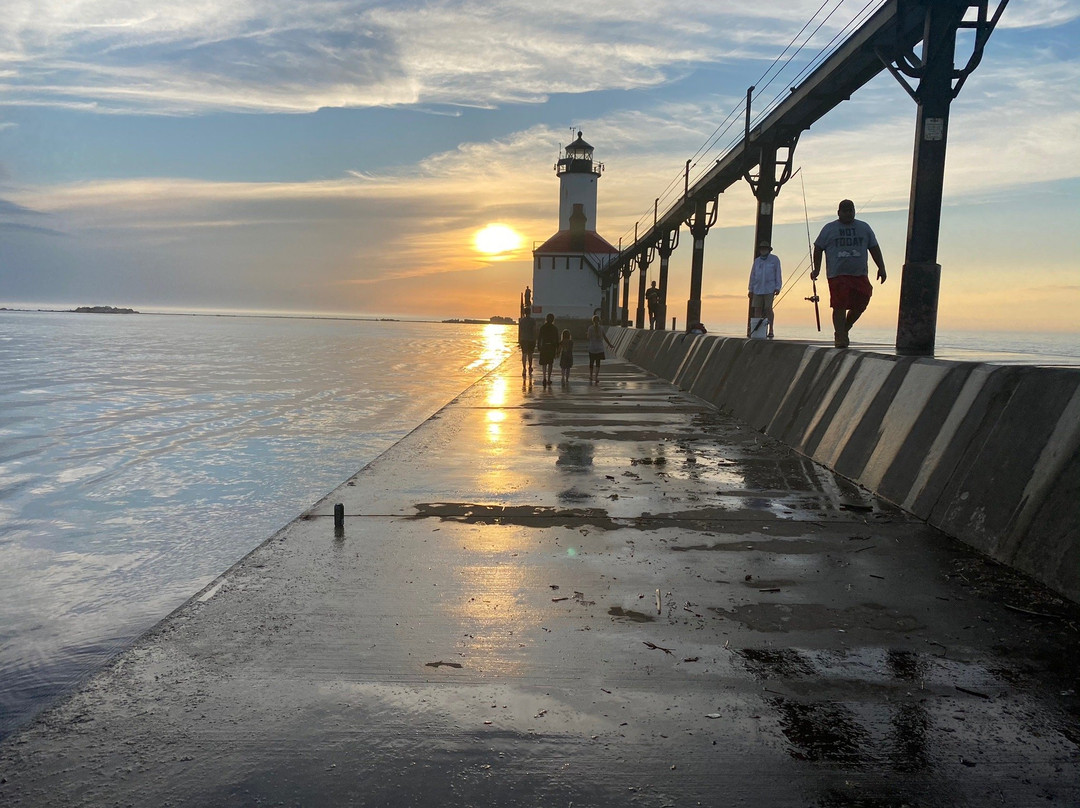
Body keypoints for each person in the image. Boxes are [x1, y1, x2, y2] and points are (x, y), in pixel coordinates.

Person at [811, 199, 886, 348]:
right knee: (839, 306)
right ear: (838, 213)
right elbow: (818, 247)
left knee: (863, 300)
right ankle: (840, 336)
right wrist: (817, 269)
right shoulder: (829, 229)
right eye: (845, 211)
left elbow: (874, 248)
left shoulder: (864, 227)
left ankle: (845, 328)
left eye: (850, 210)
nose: (848, 213)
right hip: (837, 275)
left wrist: (881, 267)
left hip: (860, 274)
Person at [748, 241, 782, 339]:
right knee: (757, 309)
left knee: (768, 309)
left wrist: (778, 287)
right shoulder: (757, 261)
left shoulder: (775, 260)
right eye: (762, 248)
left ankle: (771, 329)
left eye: (765, 248)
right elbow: (753, 276)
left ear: (768, 250)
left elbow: (778, 274)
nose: (763, 250)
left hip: (769, 288)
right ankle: (757, 331)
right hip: (757, 289)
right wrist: (750, 289)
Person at [586, 315, 614, 384]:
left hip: (592, 348)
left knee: (591, 362)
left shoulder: (590, 328)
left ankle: (591, 376)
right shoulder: (601, 328)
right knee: (598, 363)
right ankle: (596, 377)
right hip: (599, 348)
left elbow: (588, 337)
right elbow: (605, 337)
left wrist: (589, 335)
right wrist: (610, 345)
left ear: (593, 321)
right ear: (599, 320)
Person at [536, 313, 560, 387]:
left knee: (544, 364)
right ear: (553, 320)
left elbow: (539, 338)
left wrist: (538, 346)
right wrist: (557, 349)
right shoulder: (554, 328)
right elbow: (557, 339)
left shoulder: (543, 327)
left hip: (544, 346)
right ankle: (549, 378)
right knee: (550, 363)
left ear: (546, 319)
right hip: (551, 347)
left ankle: (544, 377)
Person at [517, 306, 536, 379]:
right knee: (530, 354)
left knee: (524, 354)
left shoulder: (521, 321)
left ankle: (524, 368)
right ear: (530, 312)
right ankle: (530, 367)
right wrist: (535, 338)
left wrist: (519, 339)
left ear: (524, 313)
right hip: (531, 339)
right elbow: (534, 330)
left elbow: (520, 330)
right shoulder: (533, 320)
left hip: (523, 339)